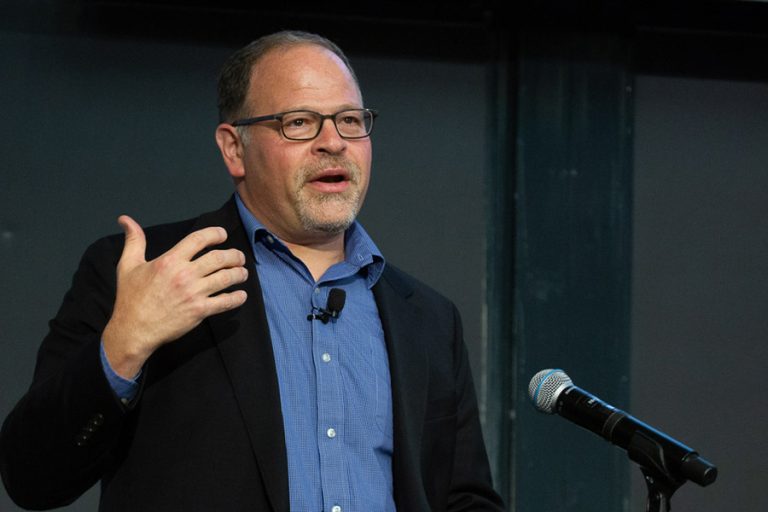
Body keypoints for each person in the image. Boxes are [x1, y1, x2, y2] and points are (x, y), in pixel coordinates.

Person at [0, 31, 504, 511]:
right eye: (300, 122)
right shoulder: (150, 272)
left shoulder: (430, 320)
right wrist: (125, 346)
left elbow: (464, 500)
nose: (334, 142)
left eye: (350, 120)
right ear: (234, 148)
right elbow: (32, 476)